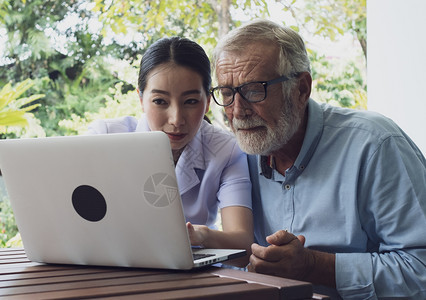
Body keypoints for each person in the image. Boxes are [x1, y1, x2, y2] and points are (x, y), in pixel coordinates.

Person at [211, 19, 426, 299]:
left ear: (301, 89)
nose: (237, 111)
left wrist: (314, 266)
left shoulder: (375, 145)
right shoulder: (237, 154)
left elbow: (420, 268)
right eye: (227, 93)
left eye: (254, 90)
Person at [87, 37, 253, 265]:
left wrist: (202, 235)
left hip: (194, 276)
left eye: (191, 101)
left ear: (207, 103)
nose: (176, 120)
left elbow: (243, 248)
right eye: (160, 101)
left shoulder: (227, 151)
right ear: (141, 99)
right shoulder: (103, 137)